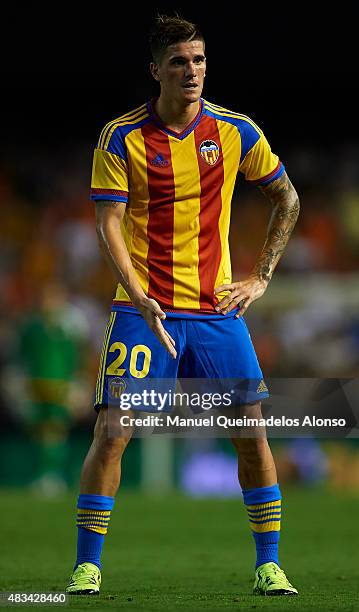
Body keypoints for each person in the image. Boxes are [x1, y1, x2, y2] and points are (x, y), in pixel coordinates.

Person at [66, 14, 300, 597]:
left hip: (218, 313)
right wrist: (137, 293)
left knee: (252, 432)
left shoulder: (235, 131)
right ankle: (87, 565)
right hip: (144, 310)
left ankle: (269, 564)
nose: (191, 71)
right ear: (155, 70)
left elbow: (286, 198)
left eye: (198, 60)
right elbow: (108, 222)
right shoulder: (121, 137)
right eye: (178, 61)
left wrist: (261, 276)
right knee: (113, 430)